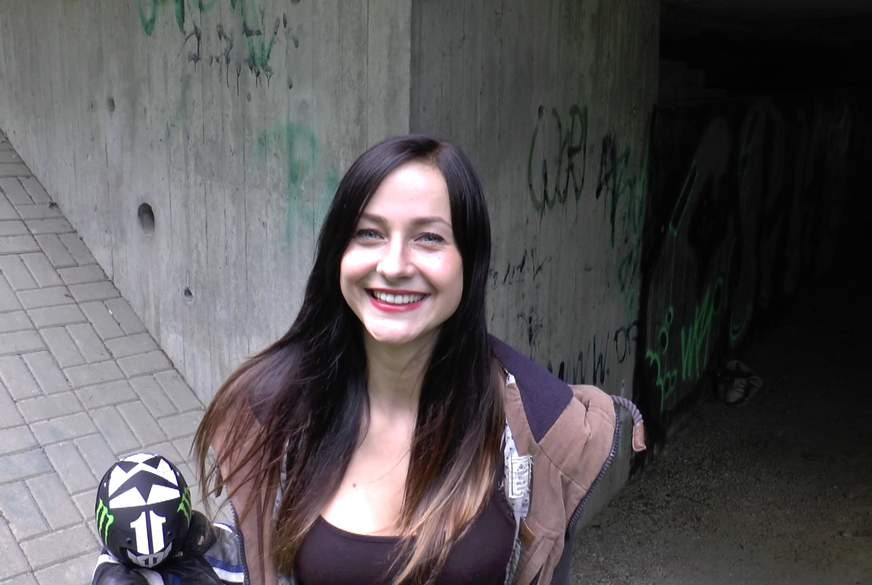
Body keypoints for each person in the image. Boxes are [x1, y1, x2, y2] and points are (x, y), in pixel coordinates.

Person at [191, 134, 645, 585]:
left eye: (429, 238)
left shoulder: (541, 430)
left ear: (470, 261)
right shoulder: (270, 412)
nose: (393, 266)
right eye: (369, 233)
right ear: (338, 252)